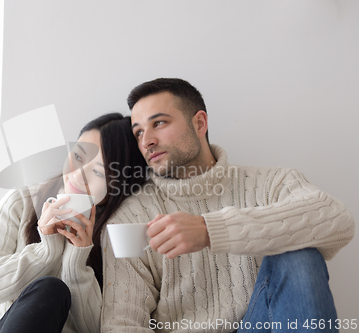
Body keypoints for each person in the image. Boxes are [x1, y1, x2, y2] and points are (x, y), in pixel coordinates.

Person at [101, 78, 355, 333]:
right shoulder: (131, 217)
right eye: (139, 132)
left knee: (300, 254)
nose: (147, 141)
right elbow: (121, 325)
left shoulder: (271, 184)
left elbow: (337, 220)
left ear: (199, 123)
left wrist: (210, 230)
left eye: (159, 123)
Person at [0, 113, 148, 333]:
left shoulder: (121, 228)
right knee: (50, 290)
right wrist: (45, 252)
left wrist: (76, 260)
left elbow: (95, 328)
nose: (79, 175)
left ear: (120, 182)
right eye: (78, 157)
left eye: (99, 171)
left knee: (54, 291)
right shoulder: (23, 201)